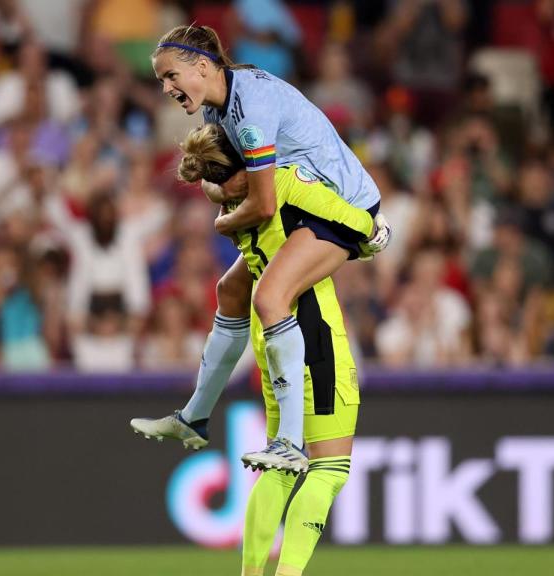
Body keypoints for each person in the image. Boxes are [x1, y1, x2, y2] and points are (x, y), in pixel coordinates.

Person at [132, 25, 390, 474]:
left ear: (203, 65)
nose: (166, 87)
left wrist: (223, 221)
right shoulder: (219, 111)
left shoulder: (248, 108)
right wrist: (224, 198)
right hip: (305, 206)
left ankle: (290, 443)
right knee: (231, 290)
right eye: (161, 80)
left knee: (270, 298)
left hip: (341, 208)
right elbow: (232, 185)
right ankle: (194, 417)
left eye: (171, 75)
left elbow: (260, 201)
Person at [147, 124, 360, 576]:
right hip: (310, 328)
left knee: (281, 467)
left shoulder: (225, 199)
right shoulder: (280, 183)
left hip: (271, 338)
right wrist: (375, 230)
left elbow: (231, 279)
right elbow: (352, 219)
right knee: (329, 468)